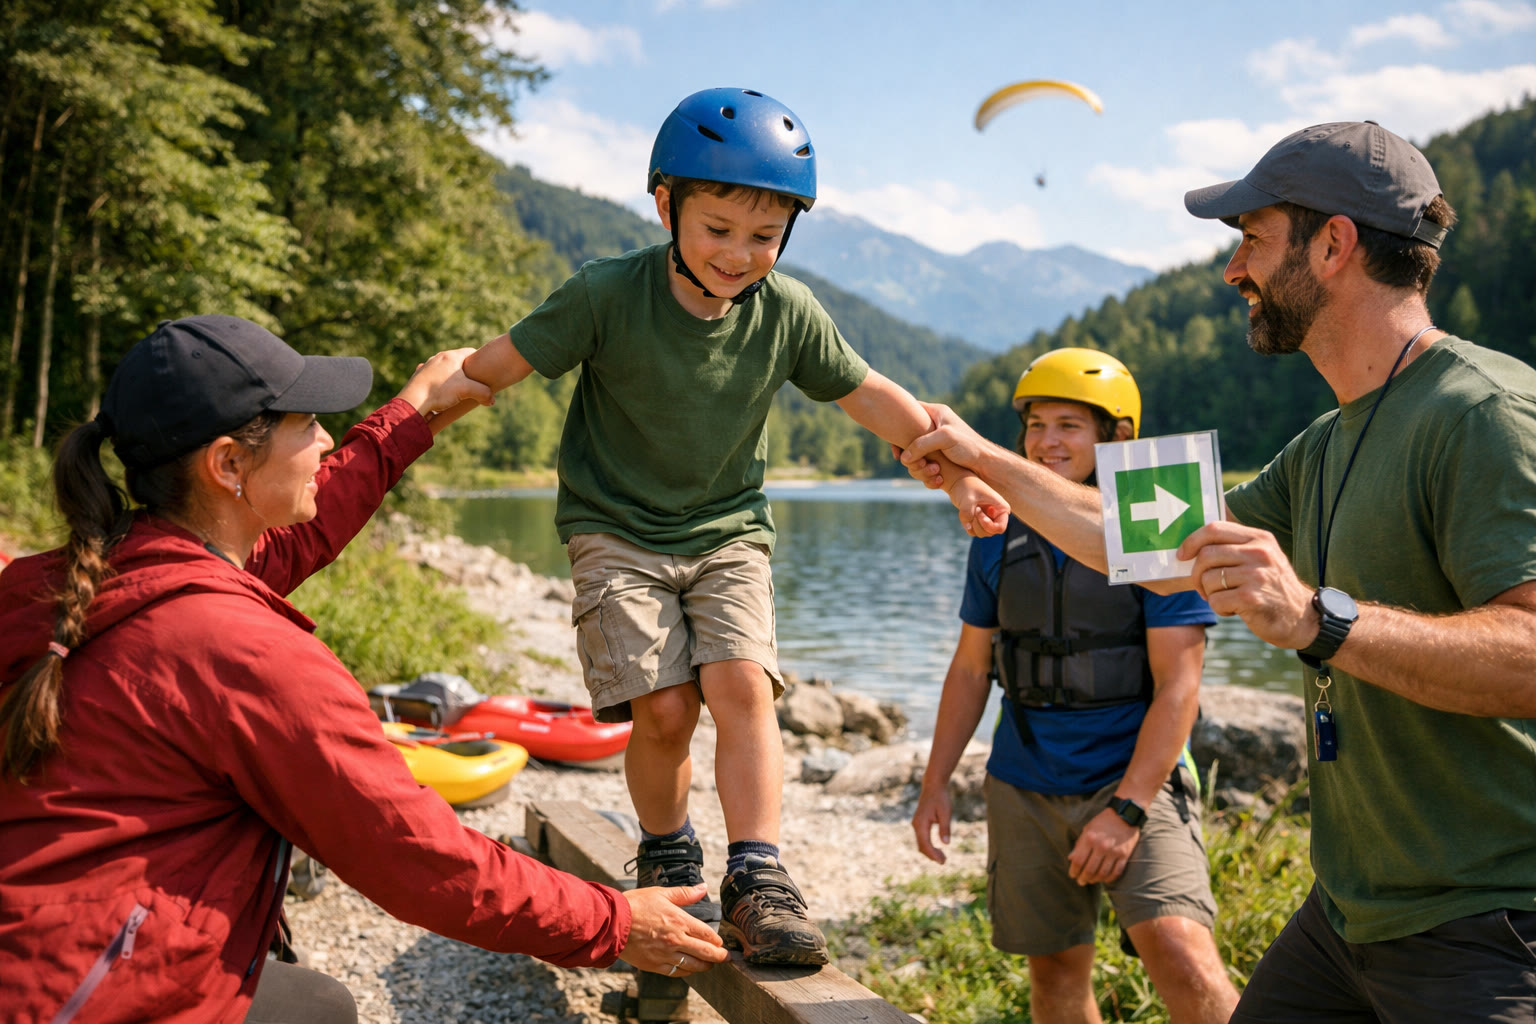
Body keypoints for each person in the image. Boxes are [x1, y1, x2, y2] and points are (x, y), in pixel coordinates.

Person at [900, 122, 1536, 1020]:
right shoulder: (1323, 441)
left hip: (1485, 925)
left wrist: (1319, 618)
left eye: (1251, 241)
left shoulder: (1484, 411)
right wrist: (982, 457)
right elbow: (1140, 548)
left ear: (1334, 243)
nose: (1234, 271)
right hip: (1348, 912)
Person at [0, 315, 727, 1024]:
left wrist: (411, 418)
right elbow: (415, 857)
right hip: (78, 991)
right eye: (304, 423)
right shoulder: (238, 648)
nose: (324, 438)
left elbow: (295, 538)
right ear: (226, 464)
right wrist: (610, 920)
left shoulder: (87, 576)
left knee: (316, 1004)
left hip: (42, 947)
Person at [433, 87, 1008, 965]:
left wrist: (958, 479)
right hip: (614, 529)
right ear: (666, 205)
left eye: (764, 236)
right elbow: (498, 365)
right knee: (663, 707)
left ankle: (759, 874)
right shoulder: (606, 295)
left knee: (741, 684)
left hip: (728, 528)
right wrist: (421, 414)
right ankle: (667, 850)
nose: (742, 254)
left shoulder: (788, 312)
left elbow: (871, 396)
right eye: (719, 229)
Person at [912, 349, 1238, 1024]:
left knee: (1183, 956)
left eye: (1068, 425)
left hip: (1133, 781)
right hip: (1024, 780)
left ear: (1117, 437)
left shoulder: (1162, 525)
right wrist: (935, 780)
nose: (1045, 441)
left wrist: (1127, 811)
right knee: (1056, 977)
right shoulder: (997, 527)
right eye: (1036, 425)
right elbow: (973, 667)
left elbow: (1180, 685)